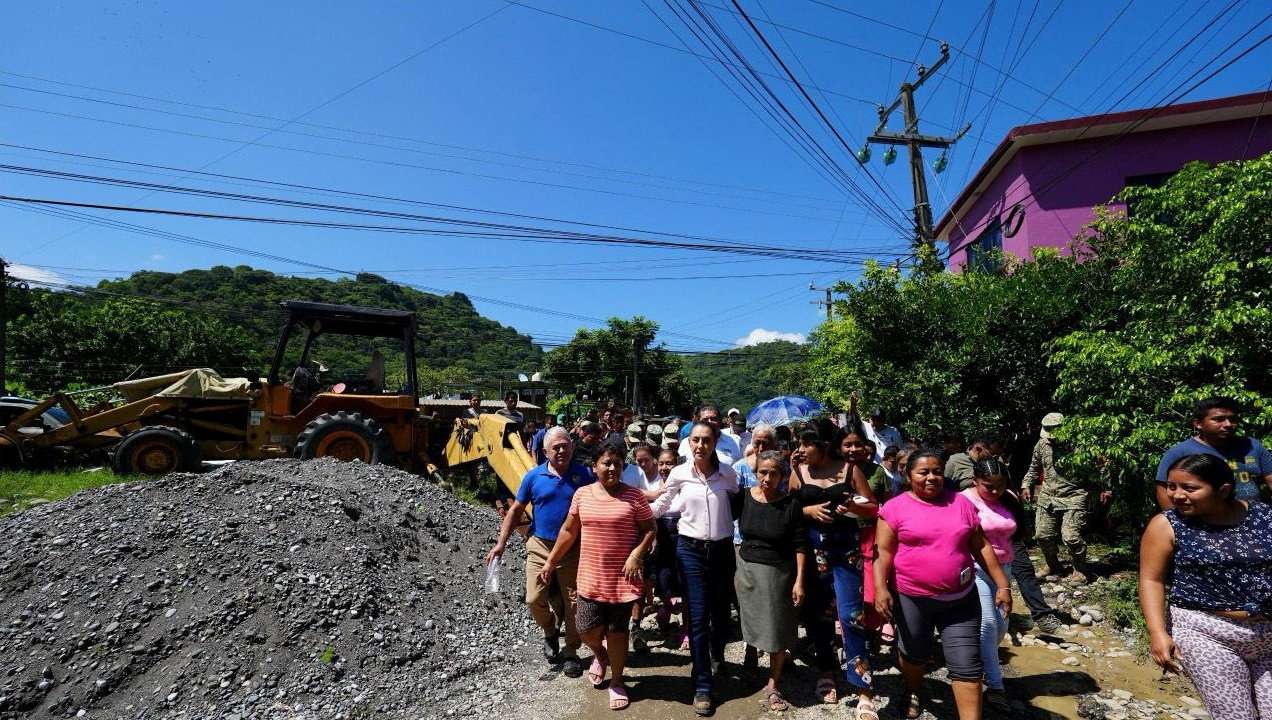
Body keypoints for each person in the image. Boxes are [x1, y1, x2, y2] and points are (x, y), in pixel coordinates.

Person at [874, 449, 1013, 720]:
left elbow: (981, 546)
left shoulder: (961, 504)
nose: (931, 478)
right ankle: (913, 689)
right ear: (908, 474)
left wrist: (1002, 585)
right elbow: (883, 553)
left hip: (959, 600)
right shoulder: (894, 507)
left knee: (967, 666)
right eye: (923, 472)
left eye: (937, 471)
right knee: (914, 656)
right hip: (912, 598)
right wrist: (880, 589)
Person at [1139, 453, 1272, 720]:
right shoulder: (1166, 525)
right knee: (1236, 716)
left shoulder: (1265, 517)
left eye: (1189, 488)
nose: (1176, 495)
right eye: (1172, 486)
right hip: (1205, 631)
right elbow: (1151, 579)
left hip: (1268, 632)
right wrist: (1157, 633)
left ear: (1223, 490)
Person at [540, 443, 657, 711]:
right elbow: (569, 532)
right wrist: (550, 561)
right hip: (591, 577)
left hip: (622, 580)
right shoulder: (582, 495)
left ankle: (617, 681)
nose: (613, 468)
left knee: (617, 632)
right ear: (595, 467)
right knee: (585, 628)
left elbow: (650, 528)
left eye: (617, 463)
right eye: (606, 463)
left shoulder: (634, 497)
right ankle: (600, 655)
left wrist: (637, 554)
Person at [486, 427, 594, 678]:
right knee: (534, 598)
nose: (561, 450)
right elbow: (515, 511)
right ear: (545, 451)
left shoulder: (585, 475)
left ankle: (571, 652)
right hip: (540, 545)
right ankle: (549, 631)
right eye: (555, 447)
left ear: (572, 447)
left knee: (574, 603)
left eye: (565, 445)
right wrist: (501, 543)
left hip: (572, 548)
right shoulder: (533, 477)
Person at [649, 421, 739, 716]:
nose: (700, 445)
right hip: (690, 551)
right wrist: (630, 513)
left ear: (715, 442)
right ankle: (702, 684)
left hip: (723, 550)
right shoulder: (679, 472)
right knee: (698, 616)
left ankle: (714, 657)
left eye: (706, 440)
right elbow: (662, 503)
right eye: (695, 440)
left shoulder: (727, 473)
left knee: (721, 614)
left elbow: (738, 502)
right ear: (689, 443)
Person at [790, 428, 880, 715]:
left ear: (824, 445)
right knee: (819, 617)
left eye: (806, 443)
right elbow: (786, 510)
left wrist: (853, 505)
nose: (801, 448)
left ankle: (863, 687)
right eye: (799, 443)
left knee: (852, 617)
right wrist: (809, 511)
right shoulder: (799, 472)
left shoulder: (849, 470)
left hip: (846, 552)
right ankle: (826, 671)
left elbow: (874, 508)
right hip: (813, 552)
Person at [731, 450, 807, 713]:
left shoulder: (790, 505)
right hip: (747, 569)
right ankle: (750, 658)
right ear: (755, 473)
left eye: (774, 473)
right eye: (763, 472)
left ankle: (773, 682)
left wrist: (799, 581)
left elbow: (800, 545)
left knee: (776, 629)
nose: (767, 477)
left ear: (782, 476)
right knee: (749, 619)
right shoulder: (742, 498)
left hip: (778, 573)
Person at [961, 458, 1022, 712]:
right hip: (975, 569)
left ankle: (983, 661)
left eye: (1000, 485)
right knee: (986, 624)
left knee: (1000, 627)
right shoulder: (964, 500)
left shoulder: (1008, 498)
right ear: (975, 480)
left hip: (1004, 568)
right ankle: (995, 686)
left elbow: (1018, 531)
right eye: (989, 486)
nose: (995, 492)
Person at [1022, 412, 1106, 581]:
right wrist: (1026, 484)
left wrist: (1105, 487)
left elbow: (1101, 468)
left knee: (1071, 536)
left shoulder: (1082, 445)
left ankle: (1080, 569)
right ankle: (1053, 565)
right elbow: (1034, 467)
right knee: (1042, 535)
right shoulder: (1042, 444)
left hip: (1075, 495)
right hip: (1048, 495)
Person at [1155, 397, 1272, 509]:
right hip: (1204, 523)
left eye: (1232, 419)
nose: (1228, 424)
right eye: (1218, 419)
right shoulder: (1180, 453)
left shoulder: (1252, 446)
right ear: (1198, 424)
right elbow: (1163, 491)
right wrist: (1178, 524)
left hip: (1253, 518)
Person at [678, 405, 742, 465]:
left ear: (720, 421)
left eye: (713, 419)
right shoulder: (685, 443)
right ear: (698, 422)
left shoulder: (736, 441)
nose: (709, 422)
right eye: (705, 419)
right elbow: (680, 467)